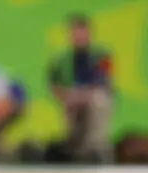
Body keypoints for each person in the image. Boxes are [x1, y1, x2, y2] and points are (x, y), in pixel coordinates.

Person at [48, 14, 113, 163]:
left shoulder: (102, 56)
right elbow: (54, 86)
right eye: (74, 33)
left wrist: (81, 96)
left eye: (82, 32)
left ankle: (96, 148)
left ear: (89, 34)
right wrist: (69, 96)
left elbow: (102, 82)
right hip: (71, 99)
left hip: (93, 97)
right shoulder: (60, 60)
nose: (78, 37)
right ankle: (74, 149)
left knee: (99, 100)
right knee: (70, 104)